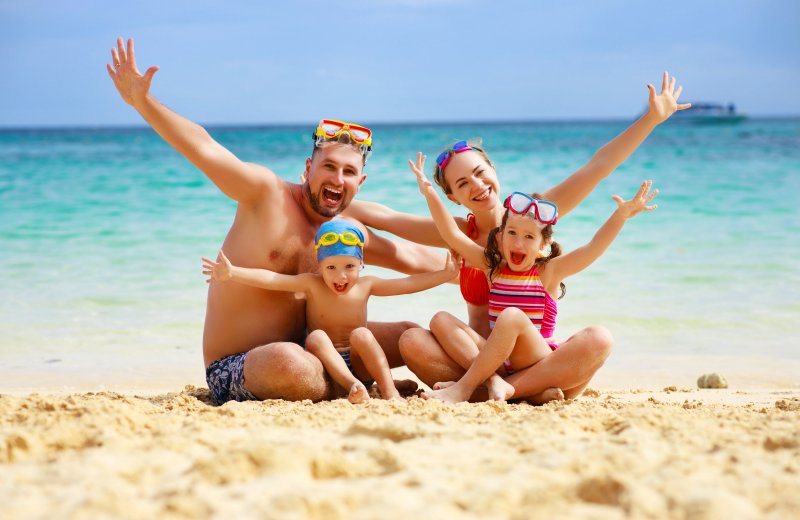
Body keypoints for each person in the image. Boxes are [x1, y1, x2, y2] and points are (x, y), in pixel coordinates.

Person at [107, 37, 444, 403]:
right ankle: (356, 385)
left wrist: (490, 252)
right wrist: (143, 103)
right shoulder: (265, 194)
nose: (337, 179)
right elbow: (205, 147)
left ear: (359, 183)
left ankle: (415, 386)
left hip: (318, 348)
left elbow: (415, 258)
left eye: (348, 171)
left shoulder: (344, 232)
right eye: (328, 166)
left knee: (410, 335)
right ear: (307, 169)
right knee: (289, 363)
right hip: (241, 364)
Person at [345, 73, 689, 399]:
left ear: (493, 169)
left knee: (597, 339)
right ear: (453, 196)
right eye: (463, 183)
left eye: (480, 173)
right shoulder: (462, 234)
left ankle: (509, 388)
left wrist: (650, 120)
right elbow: (386, 217)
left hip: (527, 352)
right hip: (476, 355)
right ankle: (524, 389)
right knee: (413, 341)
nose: (477, 185)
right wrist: (318, 198)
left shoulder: (533, 216)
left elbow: (597, 168)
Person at [408, 153, 657, 402]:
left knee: (597, 337)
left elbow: (593, 248)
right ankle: (507, 386)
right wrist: (429, 193)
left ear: (543, 243)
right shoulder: (491, 267)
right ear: (500, 235)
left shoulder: (548, 272)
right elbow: (452, 234)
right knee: (440, 319)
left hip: (537, 360)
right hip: (496, 361)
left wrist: (620, 216)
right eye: (512, 233)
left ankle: (469, 388)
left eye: (529, 237)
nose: (519, 242)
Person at [202, 219, 459, 404]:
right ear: (320, 265)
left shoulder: (367, 284)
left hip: (359, 361)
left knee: (363, 335)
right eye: (331, 268)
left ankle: (388, 388)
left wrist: (444, 275)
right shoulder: (311, 284)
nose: (341, 276)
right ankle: (353, 386)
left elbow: (407, 284)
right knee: (316, 338)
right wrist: (233, 273)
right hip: (325, 364)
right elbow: (272, 279)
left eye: (349, 266)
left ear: (361, 262)